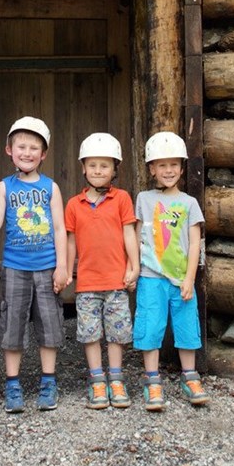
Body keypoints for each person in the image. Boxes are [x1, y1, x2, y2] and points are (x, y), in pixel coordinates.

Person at [0, 116, 68, 413]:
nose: (27, 152)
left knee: (49, 323)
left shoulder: (50, 187)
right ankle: (12, 383)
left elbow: (59, 229)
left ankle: (48, 381)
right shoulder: (4, 187)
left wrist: (63, 266)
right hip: (15, 267)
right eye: (21, 146)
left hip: (46, 266)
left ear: (43, 154)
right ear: (9, 150)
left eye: (34, 148)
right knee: (12, 324)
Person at [133, 131, 209, 411]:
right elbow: (137, 235)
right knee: (150, 326)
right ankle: (152, 380)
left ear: (181, 167)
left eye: (173, 165)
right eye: (161, 165)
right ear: (152, 168)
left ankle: (190, 377)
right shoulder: (143, 199)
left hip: (181, 280)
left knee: (187, 326)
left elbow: (194, 243)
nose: (168, 170)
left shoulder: (189, 203)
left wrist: (190, 277)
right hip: (151, 277)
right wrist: (132, 268)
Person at [64, 132, 139, 410]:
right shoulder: (74, 204)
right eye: (93, 165)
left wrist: (134, 265)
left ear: (115, 169)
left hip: (116, 280)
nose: (98, 171)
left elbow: (129, 233)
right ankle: (97, 380)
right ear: (83, 167)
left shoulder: (121, 199)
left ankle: (116, 379)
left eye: (104, 165)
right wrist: (67, 271)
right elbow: (70, 241)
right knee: (91, 333)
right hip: (87, 282)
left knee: (117, 333)